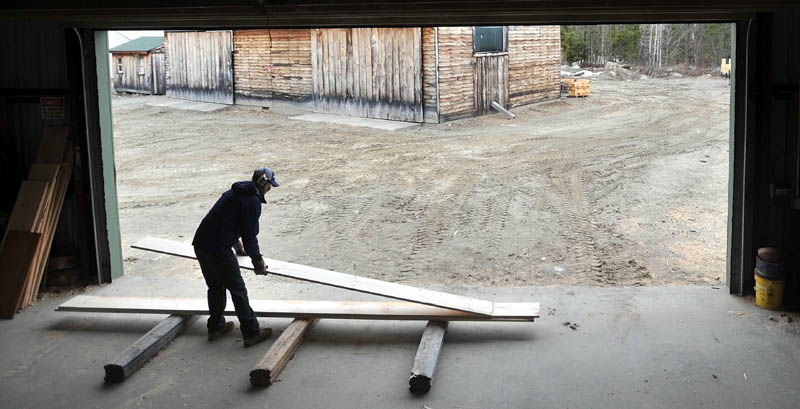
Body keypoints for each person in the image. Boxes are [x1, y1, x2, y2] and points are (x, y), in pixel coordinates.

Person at [192, 166, 279, 347]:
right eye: (269, 185)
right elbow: (250, 236)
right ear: (263, 183)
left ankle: (215, 328)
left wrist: (238, 247)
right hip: (218, 248)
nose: (270, 189)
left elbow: (225, 221)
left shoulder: (233, 192)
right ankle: (251, 333)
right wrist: (258, 261)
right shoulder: (252, 202)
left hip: (201, 243)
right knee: (237, 289)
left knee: (215, 286)